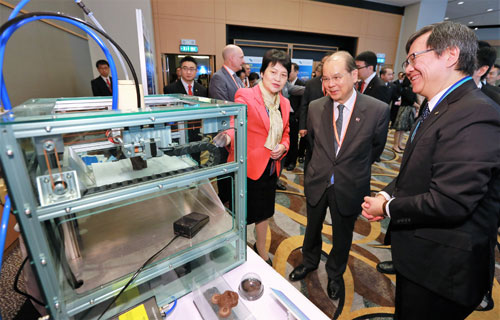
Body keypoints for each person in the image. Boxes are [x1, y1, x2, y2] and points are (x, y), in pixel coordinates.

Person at [362, 21, 500, 319]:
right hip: (421, 259)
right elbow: (419, 168)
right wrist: (387, 193)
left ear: (450, 55)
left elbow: (450, 202)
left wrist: (388, 208)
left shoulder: (475, 114)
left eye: (414, 57)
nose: (408, 67)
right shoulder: (440, 106)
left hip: (442, 271)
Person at [288, 51, 389, 301]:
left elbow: (375, 149)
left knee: (343, 233)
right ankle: (310, 261)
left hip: (350, 183)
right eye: (326, 78)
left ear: (354, 75)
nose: (331, 84)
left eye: (337, 77)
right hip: (317, 178)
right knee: (312, 227)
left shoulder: (377, 109)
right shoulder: (315, 107)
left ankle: (335, 273)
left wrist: (349, 166)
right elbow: (314, 144)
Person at [214, 49, 291, 266]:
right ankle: (238, 252)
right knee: (240, 216)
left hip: (269, 168)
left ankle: (262, 250)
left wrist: (283, 146)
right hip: (247, 167)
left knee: (264, 214)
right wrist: (227, 138)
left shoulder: (283, 103)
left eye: (283, 74)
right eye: (273, 72)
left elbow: (286, 133)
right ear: (263, 72)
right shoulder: (246, 95)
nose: (277, 78)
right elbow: (235, 124)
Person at [209, 45, 245, 209]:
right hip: (225, 132)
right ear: (231, 58)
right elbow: (222, 107)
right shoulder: (219, 77)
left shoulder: (236, 78)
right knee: (224, 167)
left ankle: (231, 197)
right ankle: (223, 200)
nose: (243, 61)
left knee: (233, 166)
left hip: (237, 130)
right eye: (241, 57)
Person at [284, 62, 305, 171]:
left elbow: (303, 104)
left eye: (290, 71)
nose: (288, 73)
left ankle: (292, 161)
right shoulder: (284, 83)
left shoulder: (302, 84)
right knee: (284, 139)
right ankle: (286, 160)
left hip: (294, 117)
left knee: (293, 141)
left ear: (296, 72)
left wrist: (296, 117)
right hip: (284, 116)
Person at [391, 77, 419, 153]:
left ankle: (399, 144)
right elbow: (410, 101)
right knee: (399, 128)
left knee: (403, 129)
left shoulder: (411, 89)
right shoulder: (405, 89)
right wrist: (419, 106)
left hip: (409, 110)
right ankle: (395, 145)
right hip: (404, 110)